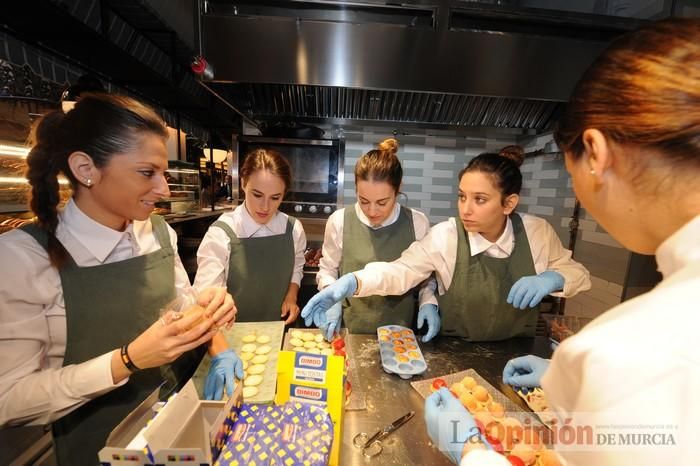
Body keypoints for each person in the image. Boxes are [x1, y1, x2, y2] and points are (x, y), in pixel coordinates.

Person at [425, 17, 700, 465]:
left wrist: (470, 449)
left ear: (595, 154)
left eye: (571, 174)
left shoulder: (627, 352)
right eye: (463, 198)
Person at [0, 94, 239, 465]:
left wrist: (206, 312)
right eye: (147, 173)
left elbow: (181, 306)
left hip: (177, 434)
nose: (163, 189)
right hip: (94, 447)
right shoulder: (22, 258)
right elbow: (10, 400)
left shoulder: (158, 233)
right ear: (85, 169)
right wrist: (126, 361)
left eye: (163, 173)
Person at [302, 150, 590, 342]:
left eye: (479, 199)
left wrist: (553, 277)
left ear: (509, 203)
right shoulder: (446, 236)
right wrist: (352, 281)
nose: (465, 209)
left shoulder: (537, 232)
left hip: (517, 353)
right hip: (455, 352)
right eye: (462, 196)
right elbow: (400, 271)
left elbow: (578, 274)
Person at [311, 138, 436, 341]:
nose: (372, 211)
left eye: (382, 202)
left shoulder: (417, 223)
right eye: (363, 201)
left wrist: (427, 300)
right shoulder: (339, 220)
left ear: (398, 189)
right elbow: (328, 269)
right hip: (350, 331)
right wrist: (331, 297)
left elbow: (425, 277)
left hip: (400, 333)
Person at [194, 148, 307, 324]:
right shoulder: (221, 233)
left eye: (275, 198)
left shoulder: (293, 229)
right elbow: (206, 296)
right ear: (243, 183)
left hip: (280, 327)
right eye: (257, 195)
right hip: (231, 334)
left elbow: (296, 267)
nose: (265, 206)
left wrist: (291, 298)